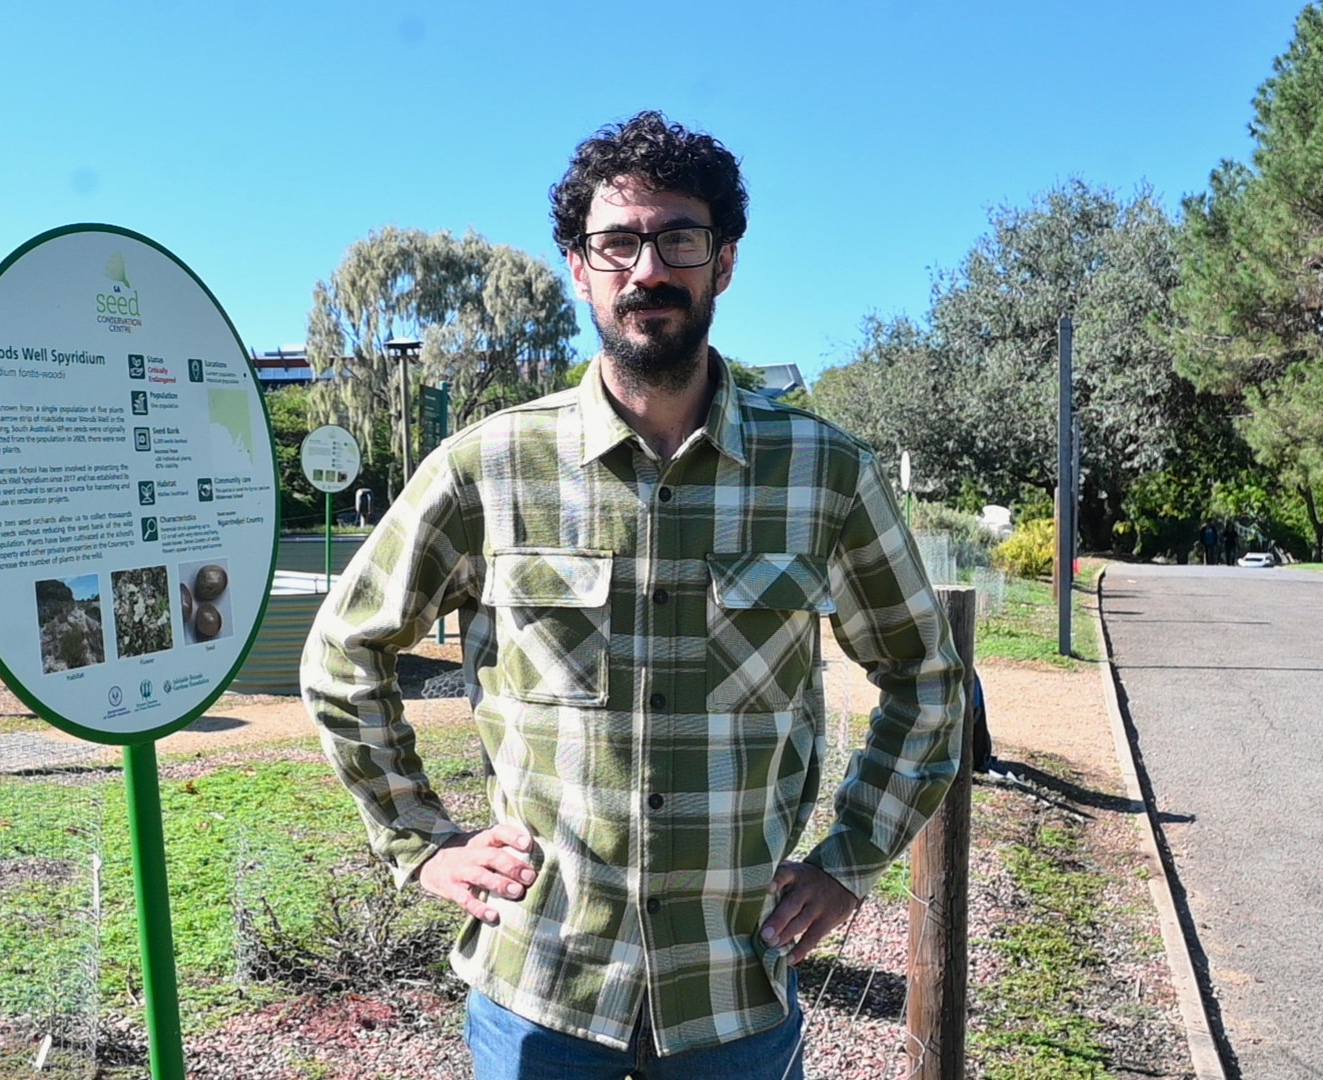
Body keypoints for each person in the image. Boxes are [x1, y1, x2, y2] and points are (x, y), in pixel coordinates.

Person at [302, 111, 967, 1080]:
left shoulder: (823, 475)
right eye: (617, 241)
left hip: (734, 998)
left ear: (724, 262)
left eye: (678, 239)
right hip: (541, 995)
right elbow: (342, 654)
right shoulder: (489, 468)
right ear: (579, 267)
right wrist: (422, 842)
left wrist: (849, 859)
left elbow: (926, 676)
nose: (647, 268)